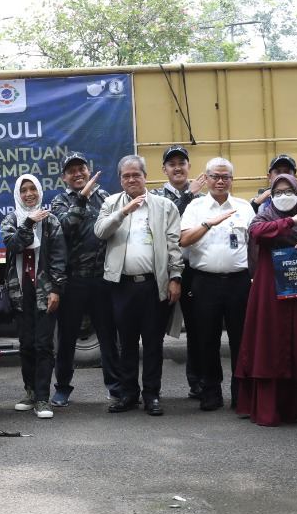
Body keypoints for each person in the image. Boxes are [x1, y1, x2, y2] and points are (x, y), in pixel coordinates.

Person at [95, 155, 184, 416]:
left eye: (136, 174)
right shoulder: (111, 203)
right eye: (126, 176)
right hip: (121, 286)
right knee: (127, 342)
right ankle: (128, 394)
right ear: (120, 179)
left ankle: (152, 395)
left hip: (153, 284)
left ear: (145, 176)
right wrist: (123, 212)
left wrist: (175, 278)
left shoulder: (165, 206)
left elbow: (174, 245)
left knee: (154, 343)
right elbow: (100, 232)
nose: (131, 179)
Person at [233, 173, 297, 427]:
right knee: (269, 344)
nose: (284, 196)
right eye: (278, 192)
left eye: (288, 191)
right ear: (270, 196)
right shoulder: (264, 217)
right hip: (269, 292)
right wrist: (292, 221)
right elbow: (258, 233)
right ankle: (268, 408)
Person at [178, 157, 255, 411]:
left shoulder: (244, 208)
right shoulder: (196, 207)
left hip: (239, 283)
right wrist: (208, 224)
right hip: (204, 283)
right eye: (215, 176)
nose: (220, 181)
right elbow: (184, 240)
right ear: (207, 178)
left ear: (232, 180)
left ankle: (240, 393)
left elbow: (254, 246)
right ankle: (211, 392)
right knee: (206, 340)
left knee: (240, 340)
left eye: (225, 177)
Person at [51, 152, 120, 404]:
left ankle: (115, 386)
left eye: (81, 168)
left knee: (108, 337)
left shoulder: (106, 198)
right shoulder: (59, 201)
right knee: (67, 337)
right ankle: (62, 388)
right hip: (74, 280)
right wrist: (80, 199)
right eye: (71, 171)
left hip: (103, 279)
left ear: (89, 170)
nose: (77, 173)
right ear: (64, 177)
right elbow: (64, 230)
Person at [0, 173, 67, 418]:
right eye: (24, 190)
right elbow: (14, 245)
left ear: (40, 191)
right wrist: (27, 223)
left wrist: (56, 289)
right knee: (26, 345)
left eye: (33, 189)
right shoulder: (10, 219)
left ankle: (42, 398)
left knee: (44, 345)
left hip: (44, 290)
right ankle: (29, 391)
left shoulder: (51, 221)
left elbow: (59, 258)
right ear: (18, 194)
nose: (29, 194)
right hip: (20, 292)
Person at [151, 145, 206, 398]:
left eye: (182, 163)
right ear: (164, 169)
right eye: (172, 163)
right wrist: (188, 196)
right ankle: (152, 390)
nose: (177, 167)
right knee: (154, 330)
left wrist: (194, 196)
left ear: (189, 167)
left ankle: (197, 382)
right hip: (163, 271)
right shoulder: (155, 196)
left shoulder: (204, 199)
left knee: (197, 329)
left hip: (192, 269)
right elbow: (165, 223)